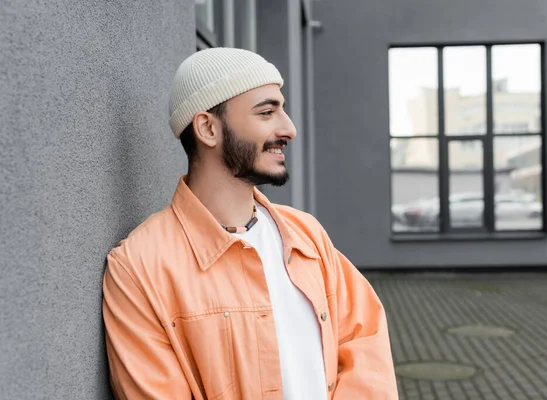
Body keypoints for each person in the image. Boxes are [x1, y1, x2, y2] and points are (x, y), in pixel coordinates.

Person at [102, 47, 398, 400]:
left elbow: (364, 346)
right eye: (267, 112)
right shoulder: (139, 267)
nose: (289, 128)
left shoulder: (306, 236)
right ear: (208, 128)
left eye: (282, 110)